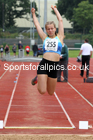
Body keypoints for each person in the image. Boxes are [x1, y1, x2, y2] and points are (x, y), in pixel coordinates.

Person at [31, 5, 64, 95]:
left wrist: (55, 9)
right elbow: (37, 24)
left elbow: (60, 20)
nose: (50, 30)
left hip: (54, 66)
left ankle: (41, 79)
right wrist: (33, 14)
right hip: (44, 64)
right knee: (42, 91)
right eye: (48, 29)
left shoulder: (60, 37)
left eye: (52, 28)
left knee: (51, 92)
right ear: (46, 30)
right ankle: (38, 79)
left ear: (55, 29)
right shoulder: (44, 37)